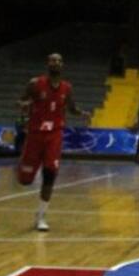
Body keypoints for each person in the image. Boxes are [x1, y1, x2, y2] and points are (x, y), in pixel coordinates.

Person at [17, 52, 90, 231]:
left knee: (50, 174)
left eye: (58, 61)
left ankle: (41, 216)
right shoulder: (35, 83)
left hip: (54, 135)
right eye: (52, 60)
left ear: (62, 65)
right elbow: (20, 100)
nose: (55, 63)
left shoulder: (67, 88)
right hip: (35, 135)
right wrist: (24, 107)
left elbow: (71, 108)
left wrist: (82, 113)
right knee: (25, 180)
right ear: (48, 64)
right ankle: (26, 170)